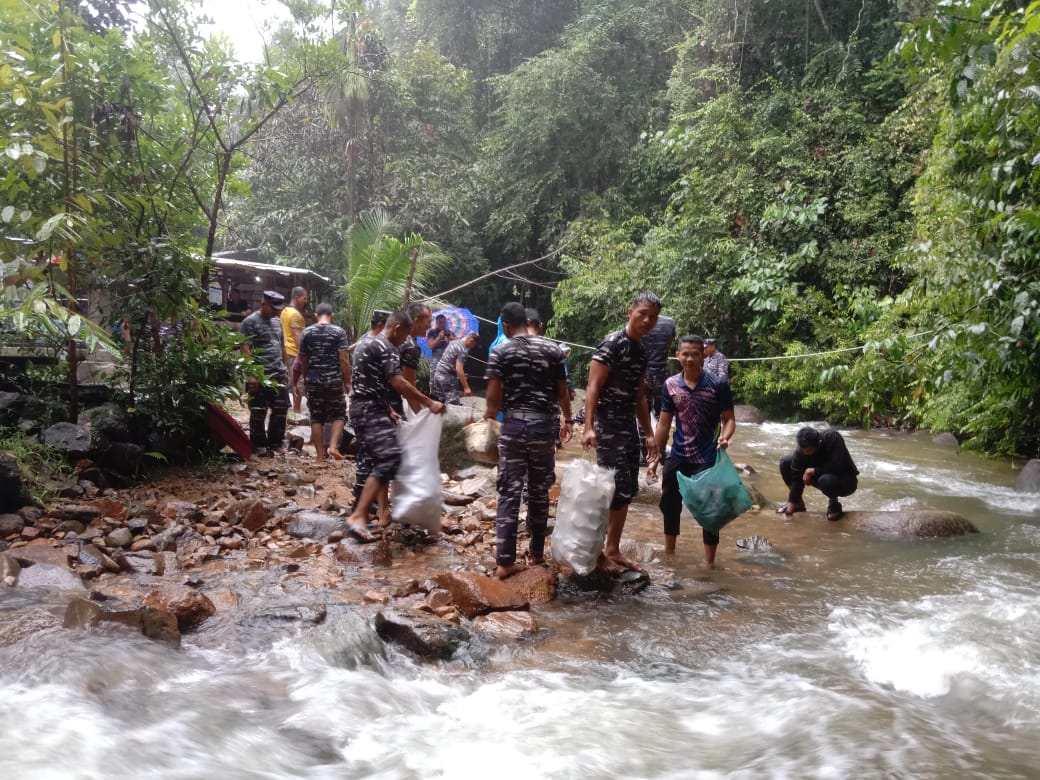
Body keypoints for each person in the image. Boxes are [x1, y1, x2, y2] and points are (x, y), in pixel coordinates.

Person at [484, 302, 574, 579]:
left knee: (509, 493)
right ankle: (536, 553)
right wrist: (568, 420)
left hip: (512, 427)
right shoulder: (553, 351)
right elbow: (562, 392)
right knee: (538, 492)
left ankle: (505, 561)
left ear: (507, 326)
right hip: (542, 428)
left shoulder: (501, 351)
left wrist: (487, 419)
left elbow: (494, 396)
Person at [344, 310, 446, 540]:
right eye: (404, 336)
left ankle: (371, 513)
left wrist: (389, 410)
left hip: (366, 408)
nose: (404, 342)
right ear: (398, 329)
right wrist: (428, 402)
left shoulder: (366, 343)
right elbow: (398, 381)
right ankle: (359, 515)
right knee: (389, 458)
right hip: (368, 411)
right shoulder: (386, 347)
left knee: (378, 459)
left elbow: (369, 381)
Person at [581, 291, 661, 573]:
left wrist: (649, 434)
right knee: (610, 487)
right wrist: (588, 427)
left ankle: (612, 549)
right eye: (642, 314)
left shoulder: (641, 351)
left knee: (626, 489)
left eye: (652, 317)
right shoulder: (612, 344)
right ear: (630, 312)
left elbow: (640, 396)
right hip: (607, 422)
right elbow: (593, 387)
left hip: (627, 423)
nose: (647, 320)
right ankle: (597, 549)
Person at [647, 335, 736, 567]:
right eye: (685, 354)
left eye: (695, 354)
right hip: (678, 455)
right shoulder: (671, 385)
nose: (689, 358)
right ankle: (670, 554)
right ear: (677, 355)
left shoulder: (718, 385)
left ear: (702, 356)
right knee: (669, 504)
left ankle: (709, 563)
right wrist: (655, 457)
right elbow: (664, 423)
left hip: (707, 457)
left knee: (711, 510)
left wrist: (725, 437)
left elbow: (729, 419)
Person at [293, 303, 350, 463]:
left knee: (316, 417)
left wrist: (306, 379)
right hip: (333, 380)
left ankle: (319, 457)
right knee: (339, 414)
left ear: (316, 315)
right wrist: (348, 381)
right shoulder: (339, 332)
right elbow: (344, 359)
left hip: (313, 380)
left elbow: (303, 359)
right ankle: (332, 446)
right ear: (331, 315)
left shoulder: (306, 333)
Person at [239, 291, 290, 457]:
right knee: (258, 411)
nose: (276, 312)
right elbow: (245, 349)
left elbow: (282, 346)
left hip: (278, 373)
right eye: (273, 308)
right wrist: (252, 374)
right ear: (264, 304)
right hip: (260, 374)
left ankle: (276, 443)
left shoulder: (277, 321)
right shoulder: (249, 322)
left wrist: (285, 368)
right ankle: (258, 445)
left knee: (280, 410)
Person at [778, 427, 859, 521]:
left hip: (845, 480)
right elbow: (796, 479)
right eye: (802, 449)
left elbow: (840, 465)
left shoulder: (832, 438)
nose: (805, 452)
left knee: (825, 480)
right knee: (785, 462)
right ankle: (798, 504)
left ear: (819, 443)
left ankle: (834, 503)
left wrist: (813, 471)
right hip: (821, 476)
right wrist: (790, 508)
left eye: (808, 450)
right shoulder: (801, 451)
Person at [641, 313, 676, 423]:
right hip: (662, 370)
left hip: (643, 371)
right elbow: (669, 344)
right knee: (662, 410)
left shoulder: (640, 321)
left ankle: (644, 438)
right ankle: (660, 439)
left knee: (642, 409)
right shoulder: (669, 322)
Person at [399, 301, 433, 413]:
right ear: (417, 321)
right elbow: (408, 386)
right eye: (429, 322)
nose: (430, 326)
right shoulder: (411, 346)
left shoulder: (394, 336)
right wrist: (420, 416)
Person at [281, 286, 308, 417]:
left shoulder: (285, 311)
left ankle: (292, 409)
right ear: (296, 297)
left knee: (291, 380)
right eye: (304, 298)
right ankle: (296, 411)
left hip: (286, 350)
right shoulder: (295, 315)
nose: (305, 301)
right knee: (299, 381)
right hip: (294, 351)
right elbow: (297, 336)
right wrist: (303, 354)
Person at [431, 331, 477, 405]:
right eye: (474, 344)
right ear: (471, 340)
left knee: (441, 405)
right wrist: (466, 387)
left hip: (438, 375)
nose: (473, 347)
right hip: (447, 379)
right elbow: (459, 369)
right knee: (453, 405)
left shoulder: (454, 342)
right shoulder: (463, 349)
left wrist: (461, 375)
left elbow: (450, 362)